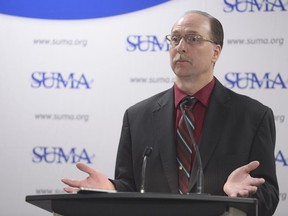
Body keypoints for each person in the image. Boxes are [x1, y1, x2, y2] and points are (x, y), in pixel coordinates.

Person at [62, 10, 279, 215]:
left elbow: (268, 197)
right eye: (175, 39)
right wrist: (110, 189)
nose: (181, 47)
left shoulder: (252, 117)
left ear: (216, 51)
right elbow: (131, 186)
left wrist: (241, 195)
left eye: (193, 38)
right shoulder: (137, 117)